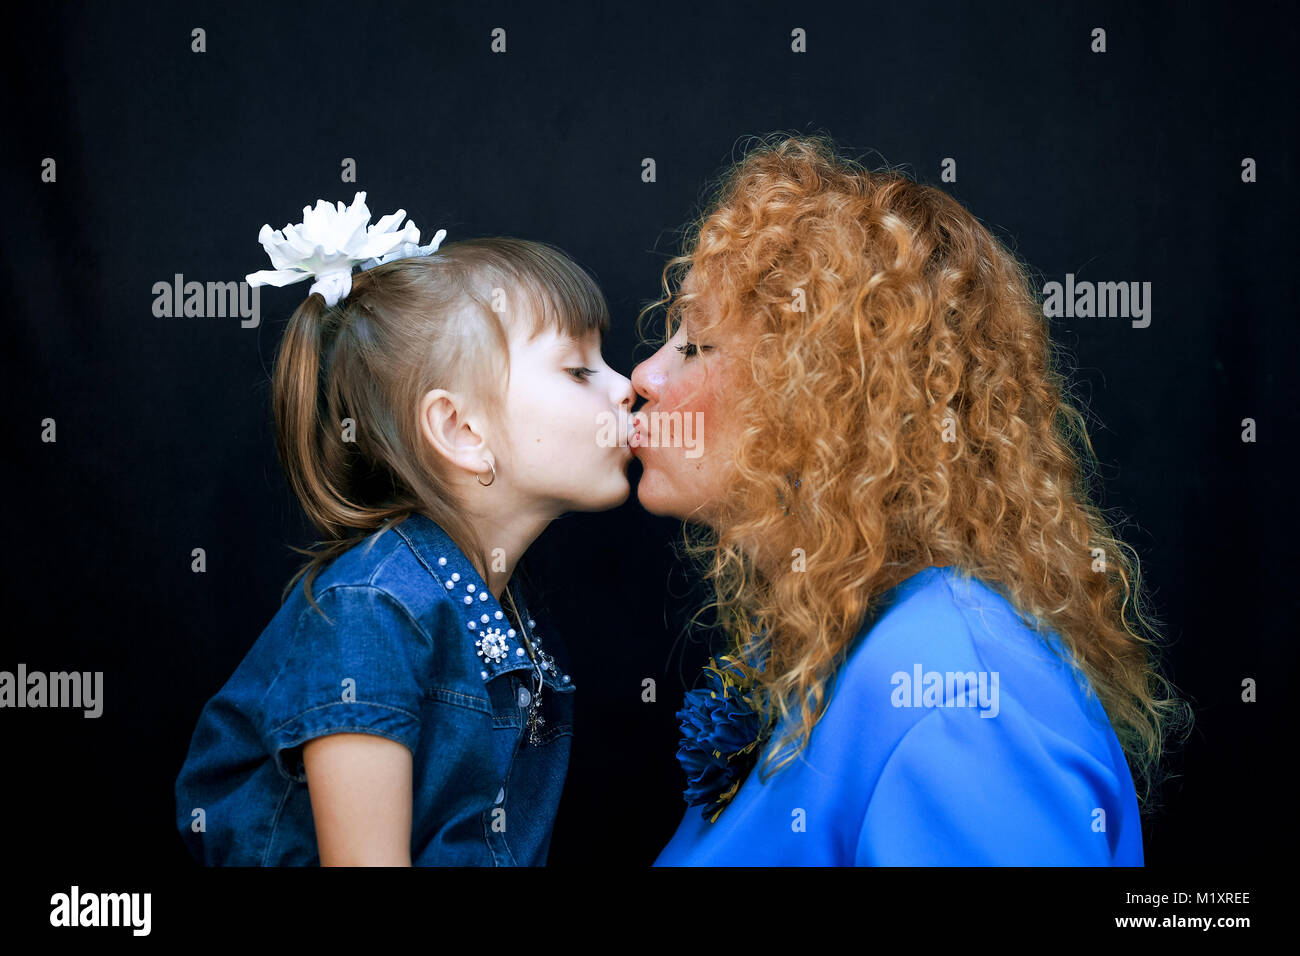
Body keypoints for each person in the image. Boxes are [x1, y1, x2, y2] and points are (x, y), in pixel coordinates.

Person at [628, 135, 1192, 865]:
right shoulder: (829, 638)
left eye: (697, 342)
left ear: (824, 398)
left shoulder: (957, 700)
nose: (642, 374)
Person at [175, 193, 636, 865]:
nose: (625, 387)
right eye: (577, 369)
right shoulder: (371, 613)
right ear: (461, 430)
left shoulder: (500, 602)